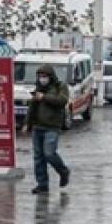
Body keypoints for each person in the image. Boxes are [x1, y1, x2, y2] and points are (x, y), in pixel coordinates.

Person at [23, 64, 71, 195]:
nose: (42, 79)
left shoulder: (60, 86)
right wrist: (27, 122)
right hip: (38, 126)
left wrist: (44, 97)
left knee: (49, 153)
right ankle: (42, 184)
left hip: (52, 126)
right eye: (40, 76)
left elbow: (62, 100)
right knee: (38, 157)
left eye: (44, 76)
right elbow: (32, 106)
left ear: (50, 76)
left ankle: (63, 171)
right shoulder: (39, 88)